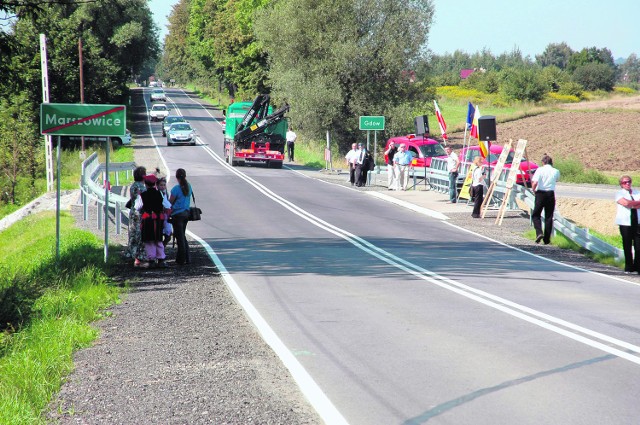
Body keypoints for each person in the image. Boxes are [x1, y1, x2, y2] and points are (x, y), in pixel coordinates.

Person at [136, 174, 167, 268]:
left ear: (146, 184)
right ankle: (161, 259)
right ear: (154, 184)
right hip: (158, 219)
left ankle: (151, 260)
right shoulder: (160, 194)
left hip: (148, 219)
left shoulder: (142, 195)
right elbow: (167, 205)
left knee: (149, 240)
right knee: (158, 238)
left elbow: (137, 207)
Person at [531, 154, 561, 244]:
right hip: (550, 194)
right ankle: (547, 239)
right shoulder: (556, 171)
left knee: (536, 215)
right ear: (551, 163)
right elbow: (556, 180)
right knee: (549, 216)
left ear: (543, 162)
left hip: (540, 193)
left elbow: (535, 182)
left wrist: (534, 190)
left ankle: (539, 232)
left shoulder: (540, 169)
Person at [615, 175, 640, 273]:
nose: (627, 183)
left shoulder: (637, 193)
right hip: (625, 223)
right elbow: (625, 203)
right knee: (627, 245)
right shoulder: (619, 193)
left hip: (637, 222)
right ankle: (629, 267)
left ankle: (638, 267)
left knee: (638, 247)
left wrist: (631, 204)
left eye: (629, 181)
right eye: (625, 182)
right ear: (621, 184)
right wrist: (635, 204)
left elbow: (629, 204)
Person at [169, 168, 192, 265]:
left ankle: (181, 258)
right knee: (182, 234)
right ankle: (187, 257)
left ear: (176, 177)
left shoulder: (176, 189)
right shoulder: (189, 187)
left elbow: (170, 202)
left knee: (180, 237)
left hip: (177, 215)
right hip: (186, 214)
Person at [127, 166, 148, 267]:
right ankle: (139, 258)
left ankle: (133, 254)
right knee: (140, 235)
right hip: (140, 213)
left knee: (133, 234)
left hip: (132, 212)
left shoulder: (133, 186)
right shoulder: (142, 188)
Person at [157, 177, 173, 247]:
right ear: (157, 186)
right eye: (161, 185)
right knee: (159, 234)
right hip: (159, 216)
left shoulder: (166, 193)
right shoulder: (157, 194)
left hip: (166, 216)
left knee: (168, 234)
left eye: (164, 185)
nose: (163, 186)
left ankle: (162, 247)